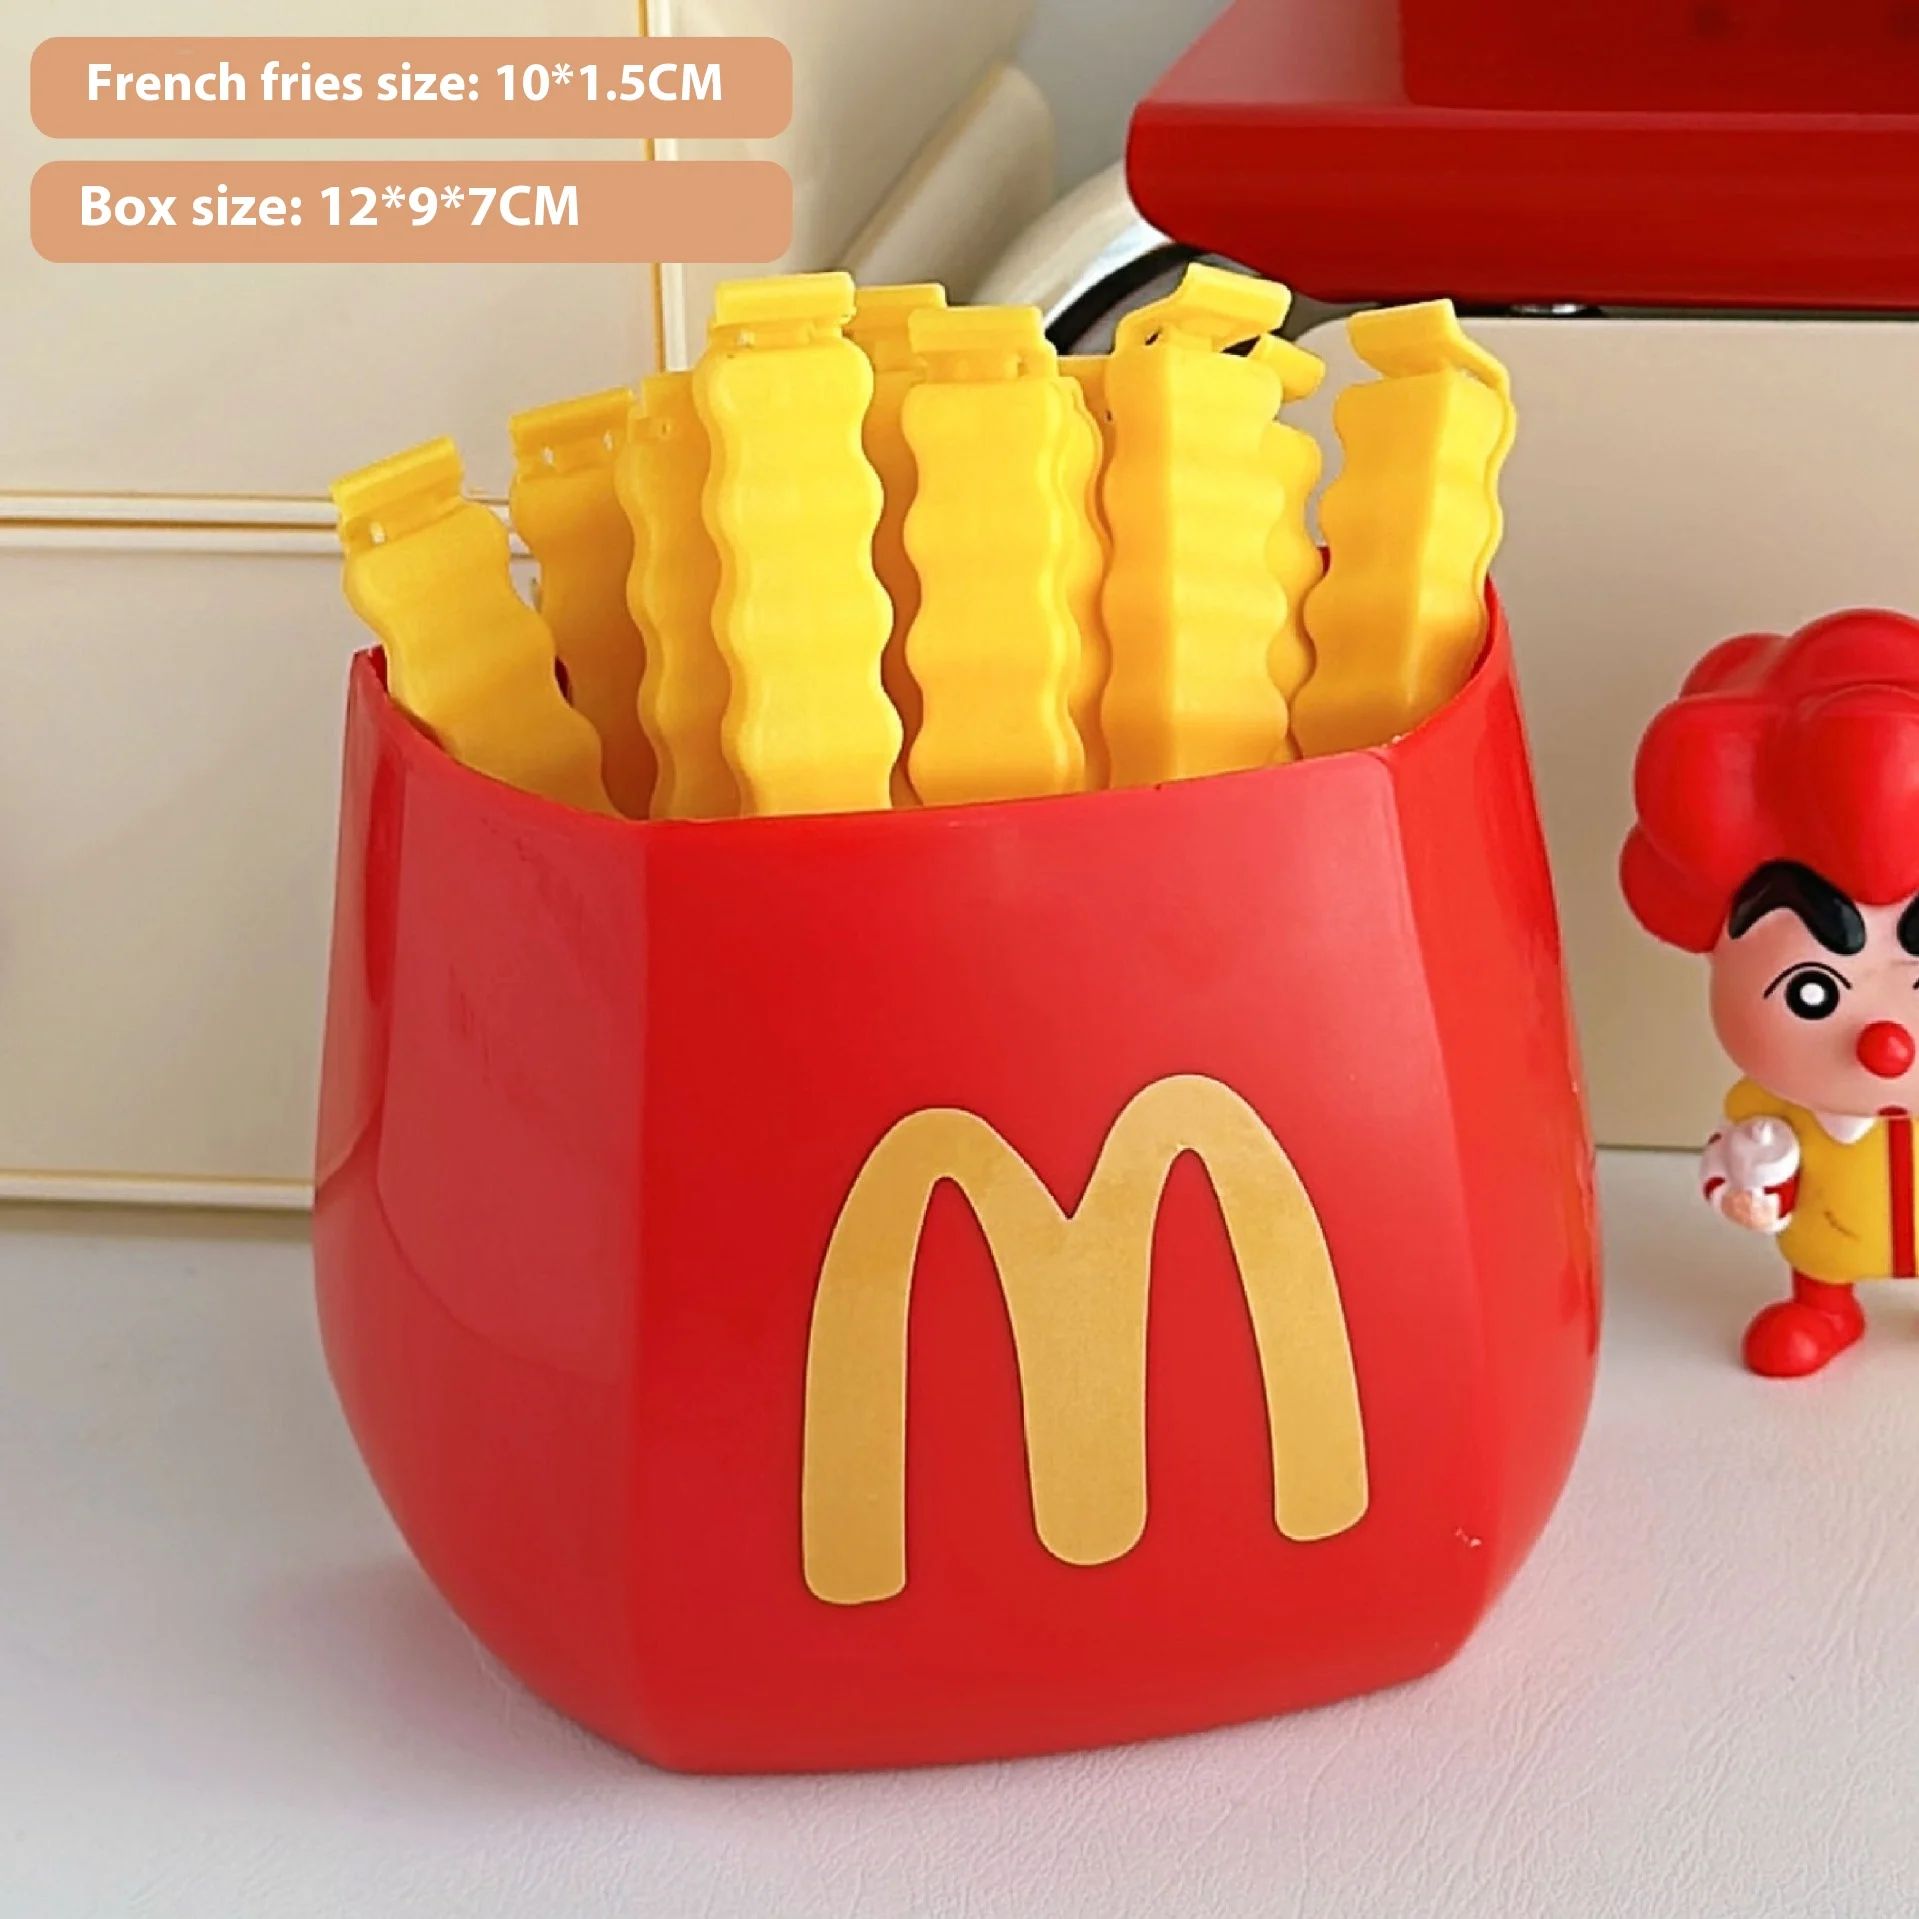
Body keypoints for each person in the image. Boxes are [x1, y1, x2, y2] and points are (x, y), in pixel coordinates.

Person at [1623, 608, 1919, 1377]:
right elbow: (1732, 1163)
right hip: (1826, 1239)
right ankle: (1826, 1306)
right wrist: (1745, 1191)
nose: (1885, 1041)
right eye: (1813, 990)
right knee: (1820, 1268)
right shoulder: (1770, 1109)